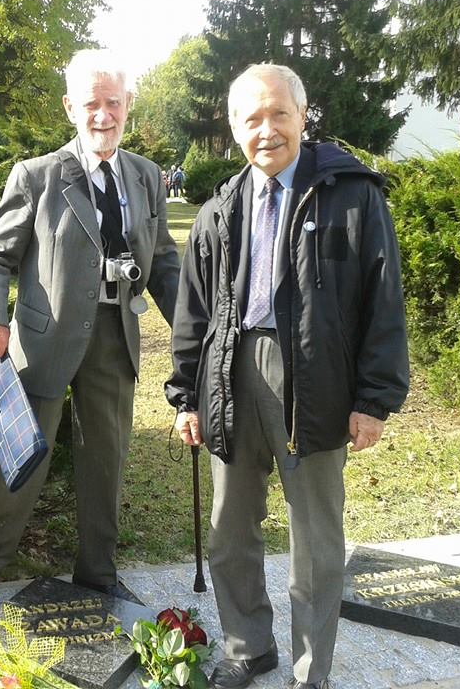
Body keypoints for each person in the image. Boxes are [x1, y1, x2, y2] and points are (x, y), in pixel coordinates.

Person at [165, 64, 409, 689]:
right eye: (252, 118)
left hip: (316, 379)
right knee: (229, 529)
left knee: (315, 540)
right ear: (233, 128)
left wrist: (375, 399)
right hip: (230, 376)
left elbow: (383, 302)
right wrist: (186, 395)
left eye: (279, 114)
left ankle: (310, 670)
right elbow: (195, 313)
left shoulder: (353, 195)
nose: (266, 130)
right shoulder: (219, 208)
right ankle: (248, 648)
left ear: (303, 116)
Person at [0, 49, 181, 609]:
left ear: (129, 104)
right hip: (44, 339)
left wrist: (192, 331)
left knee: (106, 461)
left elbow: (166, 263)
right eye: (91, 104)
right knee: (24, 458)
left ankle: (98, 573)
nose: (103, 115)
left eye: (113, 103)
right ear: (69, 108)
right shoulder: (37, 176)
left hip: (115, 338)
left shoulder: (147, 177)